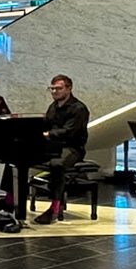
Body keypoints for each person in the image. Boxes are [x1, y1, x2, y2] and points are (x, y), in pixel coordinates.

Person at [29, 73, 90, 225]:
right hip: (53, 146)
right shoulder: (53, 106)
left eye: (58, 88)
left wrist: (47, 134)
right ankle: (9, 199)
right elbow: (46, 124)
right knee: (17, 156)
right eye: (52, 88)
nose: (54, 91)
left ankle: (55, 208)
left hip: (72, 148)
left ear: (69, 89)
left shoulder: (79, 108)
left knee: (57, 164)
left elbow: (69, 132)